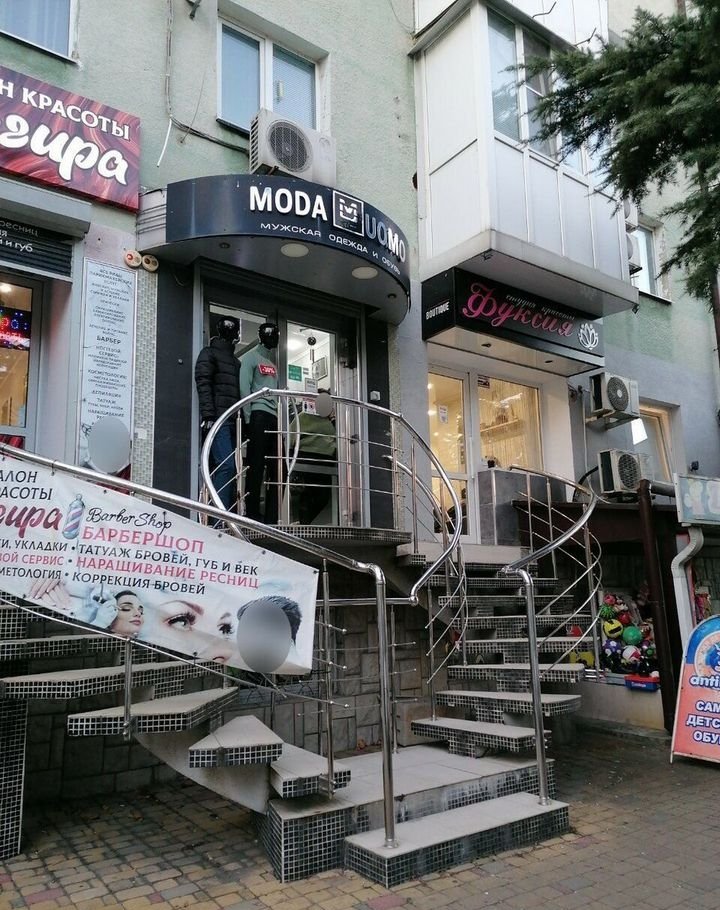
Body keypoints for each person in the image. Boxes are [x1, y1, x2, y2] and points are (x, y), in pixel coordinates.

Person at [194, 317, 241, 512]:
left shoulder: (236, 362)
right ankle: (217, 519)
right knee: (226, 466)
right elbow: (203, 382)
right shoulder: (209, 353)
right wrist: (208, 415)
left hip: (233, 421)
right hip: (218, 420)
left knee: (230, 469)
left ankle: (222, 516)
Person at [239, 322, 280, 523]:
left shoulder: (273, 365)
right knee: (256, 464)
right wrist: (248, 419)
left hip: (273, 416)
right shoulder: (250, 358)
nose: (275, 338)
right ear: (263, 336)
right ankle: (252, 512)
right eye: (271, 334)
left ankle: (272, 515)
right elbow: (244, 389)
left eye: (276, 335)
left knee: (277, 467)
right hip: (258, 414)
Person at [289, 391, 337, 524]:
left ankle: (304, 523)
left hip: (311, 459)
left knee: (313, 496)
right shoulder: (305, 417)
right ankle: (304, 522)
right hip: (319, 460)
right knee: (317, 496)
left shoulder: (303, 417)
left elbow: (290, 439)